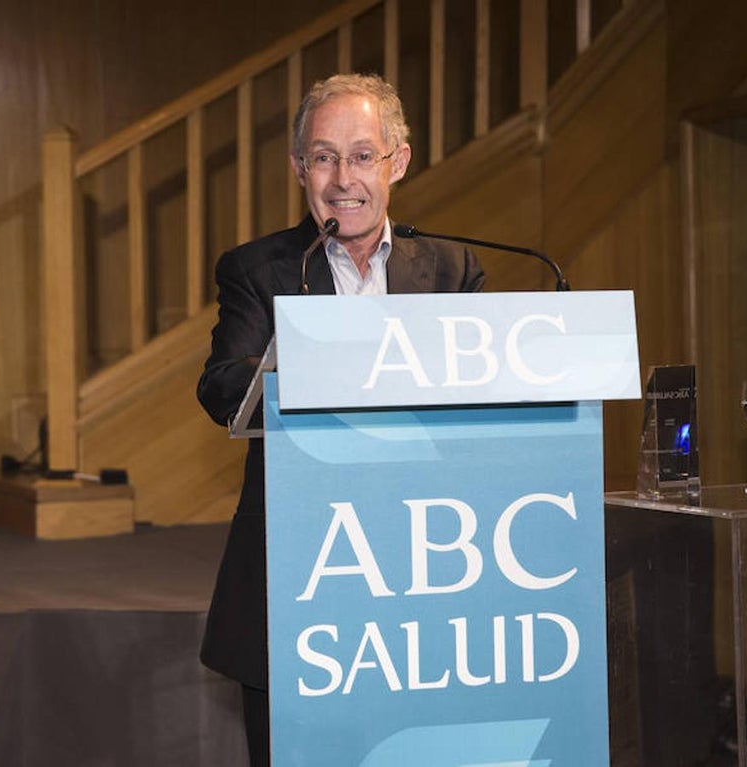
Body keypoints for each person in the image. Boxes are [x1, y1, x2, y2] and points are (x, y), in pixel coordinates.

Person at [195, 73, 485, 766]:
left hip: (425, 570)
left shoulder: (452, 269)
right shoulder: (259, 269)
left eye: (362, 155)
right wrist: (324, 363)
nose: (342, 178)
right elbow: (222, 383)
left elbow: (487, 393)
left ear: (399, 162)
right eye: (323, 157)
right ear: (300, 169)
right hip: (298, 574)